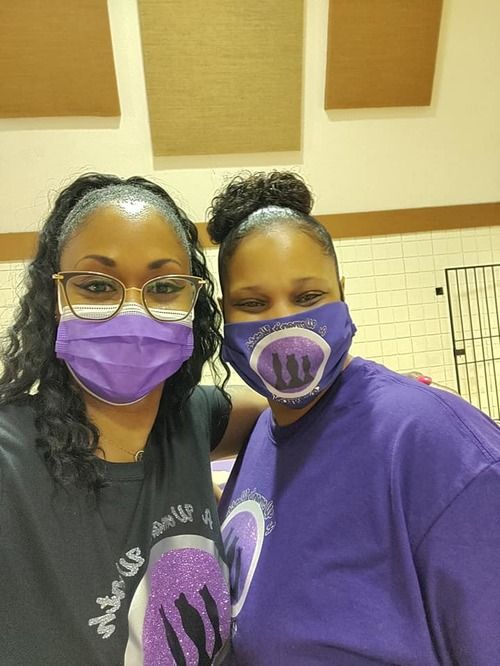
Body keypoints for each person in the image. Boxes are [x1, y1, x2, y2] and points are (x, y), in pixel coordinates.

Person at [207, 171, 500, 665]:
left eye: (308, 297)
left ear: (341, 294)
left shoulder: (435, 446)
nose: (284, 323)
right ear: (224, 313)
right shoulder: (263, 435)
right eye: (253, 303)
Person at [0, 173, 263, 666]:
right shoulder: (11, 462)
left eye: (164, 287)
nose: (132, 313)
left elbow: (290, 408)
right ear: (54, 299)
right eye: (97, 286)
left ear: (194, 303)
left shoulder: (190, 419)